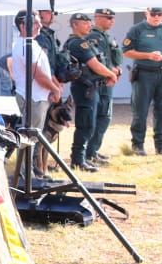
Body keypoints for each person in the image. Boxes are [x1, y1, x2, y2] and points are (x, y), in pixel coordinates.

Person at [7, 10, 63, 185]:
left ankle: (28, 171)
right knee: (30, 136)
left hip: (37, 96)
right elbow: (37, 74)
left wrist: (52, 87)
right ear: (23, 26)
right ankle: (25, 174)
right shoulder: (25, 46)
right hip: (32, 97)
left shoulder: (29, 43)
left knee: (32, 136)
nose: (39, 25)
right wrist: (54, 89)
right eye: (35, 23)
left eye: (39, 22)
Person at [122, 6, 162, 156]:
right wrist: (148, 55)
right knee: (140, 111)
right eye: (153, 14)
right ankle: (138, 145)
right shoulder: (137, 29)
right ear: (146, 13)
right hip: (143, 74)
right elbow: (127, 51)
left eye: (160, 14)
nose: (157, 17)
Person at [63, 13, 115, 171]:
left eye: (89, 22)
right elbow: (94, 65)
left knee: (89, 124)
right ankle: (78, 160)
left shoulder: (83, 42)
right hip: (84, 88)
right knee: (85, 124)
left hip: (91, 87)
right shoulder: (77, 43)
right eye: (84, 23)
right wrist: (111, 74)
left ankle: (83, 157)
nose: (88, 25)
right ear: (75, 25)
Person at [84, 7, 123, 166]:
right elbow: (97, 60)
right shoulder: (93, 36)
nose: (111, 21)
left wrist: (117, 70)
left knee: (104, 117)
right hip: (99, 82)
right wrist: (111, 71)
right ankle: (89, 152)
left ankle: (93, 150)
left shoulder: (106, 36)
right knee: (99, 117)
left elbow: (113, 58)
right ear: (97, 18)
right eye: (108, 18)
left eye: (112, 18)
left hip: (108, 80)